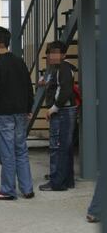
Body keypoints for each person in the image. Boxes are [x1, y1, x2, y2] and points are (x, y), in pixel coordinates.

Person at [0, 26, 34, 200]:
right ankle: (27, 188)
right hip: (21, 112)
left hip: (3, 113)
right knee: (21, 150)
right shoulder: (19, 62)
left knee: (6, 153)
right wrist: (29, 108)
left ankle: (7, 190)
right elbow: (28, 86)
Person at [39, 41, 77, 192]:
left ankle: (57, 182)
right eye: (50, 52)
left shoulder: (63, 68)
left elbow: (65, 90)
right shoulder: (60, 68)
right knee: (65, 148)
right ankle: (66, 180)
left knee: (58, 147)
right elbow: (59, 86)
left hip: (63, 112)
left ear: (63, 55)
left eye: (55, 53)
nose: (51, 55)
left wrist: (53, 108)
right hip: (66, 111)